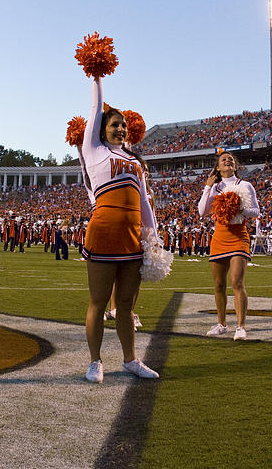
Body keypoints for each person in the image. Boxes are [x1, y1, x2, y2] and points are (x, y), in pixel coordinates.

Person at [80, 76, 158, 383]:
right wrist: (97, 76)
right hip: (103, 234)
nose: (120, 129)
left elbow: (144, 204)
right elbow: (95, 106)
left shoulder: (134, 162)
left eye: (123, 125)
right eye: (114, 124)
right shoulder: (94, 150)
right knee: (98, 303)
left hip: (131, 239)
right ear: (102, 129)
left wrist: (153, 237)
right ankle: (95, 361)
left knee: (125, 306)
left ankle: (130, 360)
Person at [198, 152, 261, 341]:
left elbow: (256, 211)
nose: (227, 160)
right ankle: (221, 324)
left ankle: (241, 326)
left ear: (235, 166)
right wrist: (207, 187)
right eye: (223, 159)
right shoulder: (214, 187)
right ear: (218, 167)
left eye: (231, 159)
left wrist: (239, 208)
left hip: (238, 235)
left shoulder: (244, 185)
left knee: (237, 282)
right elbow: (202, 211)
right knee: (219, 285)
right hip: (219, 235)